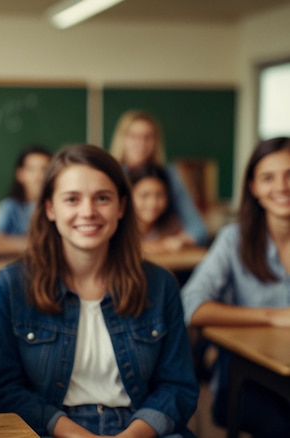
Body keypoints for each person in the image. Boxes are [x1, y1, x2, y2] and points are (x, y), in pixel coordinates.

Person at [0, 144, 198, 437]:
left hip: (141, 428)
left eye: (102, 198)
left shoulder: (160, 284)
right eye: (72, 199)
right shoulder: (9, 286)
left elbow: (177, 386)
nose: (88, 212)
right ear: (50, 208)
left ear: (121, 206)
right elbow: (3, 390)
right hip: (49, 430)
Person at [181, 136, 290, 437]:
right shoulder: (234, 239)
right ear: (253, 187)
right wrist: (272, 316)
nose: (282, 187)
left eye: (289, 175)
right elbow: (191, 308)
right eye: (268, 178)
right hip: (249, 380)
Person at [110, 109, 208, 246]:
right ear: (122, 139)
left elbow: (198, 228)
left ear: (156, 141)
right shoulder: (109, 174)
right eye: (133, 136)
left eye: (148, 137)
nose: (141, 143)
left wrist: (177, 241)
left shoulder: (169, 175)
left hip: (157, 246)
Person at [128, 164, 194, 254]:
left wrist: (182, 242)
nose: (153, 203)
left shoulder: (172, 226)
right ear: (129, 197)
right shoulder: (120, 228)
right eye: (144, 195)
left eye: (159, 195)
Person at [0, 144, 51, 236]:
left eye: (45, 170)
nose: (39, 177)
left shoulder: (56, 206)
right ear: (20, 174)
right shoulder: (10, 207)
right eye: (31, 170)